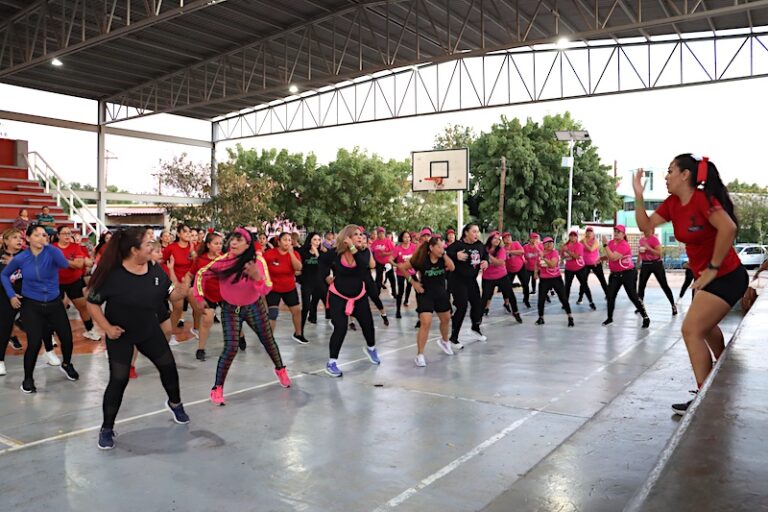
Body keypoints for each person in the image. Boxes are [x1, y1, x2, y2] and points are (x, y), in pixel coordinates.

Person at [633, 155, 746, 415]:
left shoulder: (702, 199)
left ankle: (705, 397)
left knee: (691, 330)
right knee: (704, 329)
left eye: (670, 170)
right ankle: (722, 370)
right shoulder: (673, 203)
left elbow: (728, 229)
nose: (666, 176)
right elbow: (646, 228)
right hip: (706, 277)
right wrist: (639, 195)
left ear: (685, 175)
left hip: (727, 275)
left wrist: (713, 267)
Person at [87, 227, 190, 450]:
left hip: (148, 329)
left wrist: (183, 289)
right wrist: (107, 328)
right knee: (119, 380)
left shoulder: (154, 269)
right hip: (120, 334)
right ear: (134, 250)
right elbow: (92, 303)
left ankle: (175, 403)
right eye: (148, 244)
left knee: (168, 367)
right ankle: (107, 428)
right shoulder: (112, 275)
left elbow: (172, 294)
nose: (152, 247)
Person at [194, 227, 290, 405]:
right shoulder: (222, 261)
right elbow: (201, 274)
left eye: (239, 240)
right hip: (230, 309)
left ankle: (280, 369)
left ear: (248, 244)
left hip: (254, 307)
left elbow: (267, 288)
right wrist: (199, 296)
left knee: (268, 340)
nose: (233, 242)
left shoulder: (257, 261)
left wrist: (256, 277)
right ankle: (217, 388)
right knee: (230, 347)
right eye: (232, 239)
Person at [1, 225, 79, 393]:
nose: (41, 237)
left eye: (44, 235)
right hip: (32, 305)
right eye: (36, 235)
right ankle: (28, 379)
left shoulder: (52, 252)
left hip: (54, 303)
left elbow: (64, 264)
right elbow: (4, 274)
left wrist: (50, 248)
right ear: (28, 239)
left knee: (67, 338)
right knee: (34, 343)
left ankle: (66, 364)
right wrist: (11, 295)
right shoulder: (21, 258)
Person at [319, 225, 381, 377]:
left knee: (368, 326)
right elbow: (321, 262)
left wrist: (353, 247)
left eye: (361, 235)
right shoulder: (335, 253)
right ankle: (331, 362)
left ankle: (371, 348)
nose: (360, 237)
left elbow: (363, 265)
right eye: (356, 234)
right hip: (337, 296)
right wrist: (326, 276)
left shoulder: (364, 252)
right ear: (346, 237)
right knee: (340, 328)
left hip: (359, 296)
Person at [397, 236, 456, 366]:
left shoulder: (443, 258)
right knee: (426, 322)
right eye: (439, 247)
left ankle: (445, 342)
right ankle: (420, 355)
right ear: (431, 248)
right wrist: (414, 283)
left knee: (446, 319)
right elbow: (402, 268)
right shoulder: (421, 259)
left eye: (443, 246)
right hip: (425, 294)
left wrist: (444, 254)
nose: (442, 249)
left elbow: (452, 268)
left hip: (441, 293)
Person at [53, 225, 101, 341]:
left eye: (69, 233)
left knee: (83, 307)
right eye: (64, 233)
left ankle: (90, 330)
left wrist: (60, 260)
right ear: (58, 235)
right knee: (56, 309)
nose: (67, 236)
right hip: (55, 283)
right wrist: (71, 262)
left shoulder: (75, 247)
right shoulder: (52, 248)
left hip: (74, 281)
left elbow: (79, 265)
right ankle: (50, 335)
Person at [446, 223, 489, 345]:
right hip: (457, 281)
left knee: (478, 305)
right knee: (462, 307)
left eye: (478, 231)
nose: (477, 234)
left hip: (471, 281)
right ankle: (454, 338)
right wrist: (455, 255)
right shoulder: (457, 245)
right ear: (466, 232)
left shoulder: (479, 245)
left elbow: (485, 255)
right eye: (474, 231)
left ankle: (475, 329)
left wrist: (486, 261)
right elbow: (443, 254)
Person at [263, 232, 308, 344]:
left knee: (297, 311)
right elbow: (261, 267)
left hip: (289, 287)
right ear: (278, 242)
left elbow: (298, 267)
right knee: (273, 314)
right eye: (285, 240)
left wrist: (291, 254)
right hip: (273, 288)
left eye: (289, 240)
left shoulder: (295, 254)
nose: (288, 242)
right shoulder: (269, 254)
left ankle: (298, 334)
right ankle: (269, 339)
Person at [601, 225, 650, 328]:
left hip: (628, 274)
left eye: (619, 232)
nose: (616, 233)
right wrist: (600, 258)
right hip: (615, 274)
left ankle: (645, 317)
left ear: (623, 234)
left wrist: (605, 245)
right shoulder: (611, 243)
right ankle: (610, 318)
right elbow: (609, 255)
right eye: (615, 231)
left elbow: (613, 257)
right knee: (610, 296)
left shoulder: (624, 245)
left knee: (633, 296)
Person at [188, 231, 224, 361]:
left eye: (220, 243)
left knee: (231, 320)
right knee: (207, 319)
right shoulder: (200, 260)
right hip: (208, 294)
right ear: (208, 245)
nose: (219, 246)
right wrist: (184, 284)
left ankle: (240, 337)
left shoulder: (225, 258)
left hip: (225, 294)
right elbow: (191, 274)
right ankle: (201, 349)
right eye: (216, 243)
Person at [163, 224, 196, 343]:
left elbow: (198, 263)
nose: (188, 234)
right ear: (178, 234)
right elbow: (162, 260)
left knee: (197, 306)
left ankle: (196, 329)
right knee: (178, 308)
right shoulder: (171, 248)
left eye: (189, 232)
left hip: (190, 282)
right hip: (174, 282)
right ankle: (169, 334)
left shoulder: (193, 248)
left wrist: (193, 252)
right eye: (185, 232)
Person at [481, 231, 522, 322]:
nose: (497, 240)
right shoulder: (483, 248)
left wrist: (488, 255)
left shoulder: (501, 250)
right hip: (487, 277)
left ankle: (515, 312)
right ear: (490, 239)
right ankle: (479, 316)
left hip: (502, 276)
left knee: (510, 295)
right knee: (485, 297)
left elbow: (500, 262)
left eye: (498, 239)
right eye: (495, 238)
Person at [534, 237, 575, 326]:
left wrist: (543, 257)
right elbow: (536, 264)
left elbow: (552, 264)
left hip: (555, 278)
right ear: (543, 245)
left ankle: (570, 317)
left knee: (563, 298)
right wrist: (535, 272)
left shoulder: (554, 252)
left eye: (551, 243)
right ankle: (541, 318)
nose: (549, 244)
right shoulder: (540, 254)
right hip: (544, 279)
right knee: (541, 299)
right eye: (547, 243)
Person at [637, 229, 678, 316]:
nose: (646, 230)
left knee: (664, 285)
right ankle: (640, 306)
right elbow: (640, 253)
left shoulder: (654, 239)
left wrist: (648, 248)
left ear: (651, 230)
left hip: (656, 264)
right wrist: (637, 264)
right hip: (645, 264)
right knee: (641, 286)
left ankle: (673, 305)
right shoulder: (641, 240)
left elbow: (659, 253)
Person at [561, 230, 596, 310]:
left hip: (580, 268)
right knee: (567, 286)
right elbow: (562, 254)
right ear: (569, 237)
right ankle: (565, 303)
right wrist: (561, 259)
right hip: (569, 268)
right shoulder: (565, 245)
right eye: (571, 235)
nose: (572, 237)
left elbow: (576, 256)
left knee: (584, 285)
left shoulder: (579, 245)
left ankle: (591, 302)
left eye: (574, 236)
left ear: (577, 237)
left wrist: (567, 251)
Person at [298, 232, 324, 329]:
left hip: (318, 282)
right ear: (309, 241)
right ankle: (300, 329)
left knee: (324, 302)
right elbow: (298, 266)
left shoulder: (321, 253)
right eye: (315, 240)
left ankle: (313, 318)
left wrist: (317, 254)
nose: (317, 242)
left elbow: (323, 267)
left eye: (319, 240)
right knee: (306, 306)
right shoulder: (303, 252)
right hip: (306, 282)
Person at [578, 227, 608, 303]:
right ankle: (580, 297)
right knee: (583, 281)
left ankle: (608, 295)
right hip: (585, 264)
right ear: (586, 233)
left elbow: (591, 250)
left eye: (590, 231)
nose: (589, 232)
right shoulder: (581, 241)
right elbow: (577, 249)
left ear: (593, 233)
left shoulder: (595, 241)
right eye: (587, 231)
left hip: (596, 263)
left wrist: (584, 243)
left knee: (602, 280)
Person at [392, 231, 416, 317]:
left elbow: (417, 257)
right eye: (405, 237)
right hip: (401, 273)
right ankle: (398, 311)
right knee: (401, 291)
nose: (407, 239)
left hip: (411, 272)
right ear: (402, 238)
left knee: (411, 286)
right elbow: (390, 259)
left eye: (408, 237)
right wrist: (397, 265)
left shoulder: (413, 246)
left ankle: (406, 300)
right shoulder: (397, 248)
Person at [503, 232, 530, 309]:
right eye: (505, 238)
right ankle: (506, 302)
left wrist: (510, 252)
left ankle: (526, 299)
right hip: (509, 269)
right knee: (506, 286)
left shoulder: (516, 243)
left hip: (520, 267)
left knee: (525, 283)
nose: (508, 238)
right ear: (503, 240)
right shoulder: (503, 249)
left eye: (509, 237)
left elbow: (522, 251)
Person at [371, 227, 396, 296]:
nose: (381, 234)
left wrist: (386, 254)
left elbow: (394, 251)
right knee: (378, 279)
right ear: (377, 234)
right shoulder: (375, 242)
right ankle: (377, 293)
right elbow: (372, 251)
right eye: (379, 233)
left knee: (391, 278)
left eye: (382, 233)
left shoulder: (388, 241)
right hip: (378, 263)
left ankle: (394, 292)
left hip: (387, 263)